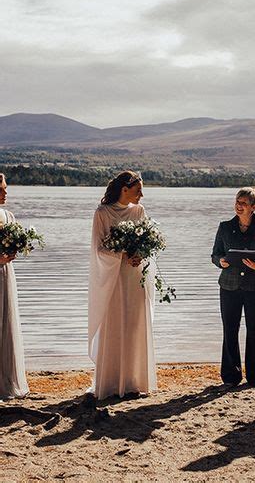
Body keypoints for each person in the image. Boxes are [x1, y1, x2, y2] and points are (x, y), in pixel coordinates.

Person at [88, 170, 156, 400]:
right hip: (114, 279)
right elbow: (98, 249)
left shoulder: (139, 211)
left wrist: (140, 255)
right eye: (138, 191)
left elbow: (146, 241)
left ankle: (133, 382)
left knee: (135, 324)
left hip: (134, 276)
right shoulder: (102, 213)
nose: (141, 195)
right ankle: (110, 383)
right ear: (124, 189)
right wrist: (122, 257)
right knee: (115, 324)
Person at [211, 188, 255, 387]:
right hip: (229, 286)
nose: (239, 206)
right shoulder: (224, 227)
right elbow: (215, 254)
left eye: (244, 203)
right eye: (237, 202)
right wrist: (220, 261)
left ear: (254, 207)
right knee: (230, 330)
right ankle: (231, 377)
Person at [0, 173, 29, 400]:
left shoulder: (9, 216)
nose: (5, 193)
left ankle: (7, 380)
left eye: (6, 188)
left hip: (5, 274)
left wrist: (12, 253)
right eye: (1, 189)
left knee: (6, 322)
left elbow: (15, 244)